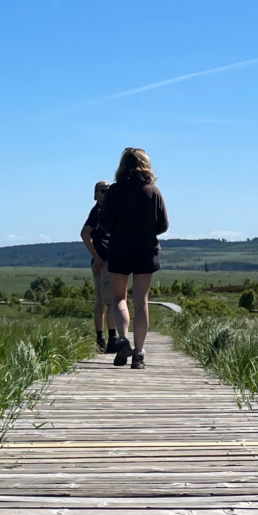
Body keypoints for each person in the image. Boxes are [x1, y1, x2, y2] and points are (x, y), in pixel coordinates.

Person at [99, 148, 168, 370]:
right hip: (146, 250)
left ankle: (123, 341)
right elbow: (163, 225)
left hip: (119, 249)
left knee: (119, 298)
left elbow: (104, 224)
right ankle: (138, 354)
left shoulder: (114, 192)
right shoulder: (153, 191)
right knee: (141, 301)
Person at [79, 181, 121, 353]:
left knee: (101, 302)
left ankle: (101, 339)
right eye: (103, 191)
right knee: (109, 302)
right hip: (104, 260)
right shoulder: (98, 211)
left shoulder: (105, 211)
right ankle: (111, 339)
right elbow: (84, 234)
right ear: (96, 194)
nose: (106, 194)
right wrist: (97, 257)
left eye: (109, 191)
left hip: (105, 260)